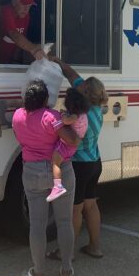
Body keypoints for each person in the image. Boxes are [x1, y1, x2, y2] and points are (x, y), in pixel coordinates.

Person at [12, 79, 80, 276]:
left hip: (32, 171)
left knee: (37, 225)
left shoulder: (17, 116)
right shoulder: (52, 116)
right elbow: (72, 140)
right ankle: (66, 270)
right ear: (45, 100)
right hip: (59, 170)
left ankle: (38, 272)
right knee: (64, 222)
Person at [48, 57, 107, 259]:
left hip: (80, 166)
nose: (78, 88)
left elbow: (68, 135)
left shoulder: (82, 115)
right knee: (91, 205)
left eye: (82, 88)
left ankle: (68, 252)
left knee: (75, 210)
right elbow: (72, 75)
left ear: (87, 93)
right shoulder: (98, 108)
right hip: (95, 163)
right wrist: (58, 62)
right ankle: (95, 246)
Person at [47, 87, 90, 203]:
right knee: (61, 161)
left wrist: (62, 116)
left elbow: (66, 121)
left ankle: (57, 186)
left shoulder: (74, 116)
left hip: (66, 144)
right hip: (72, 145)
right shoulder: (83, 115)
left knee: (55, 162)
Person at [0, 0, 45, 64]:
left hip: (9, 64)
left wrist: (15, 61)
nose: (26, 9)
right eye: (23, 4)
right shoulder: (5, 11)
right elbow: (14, 34)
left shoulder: (25, 16)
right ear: (14, 2)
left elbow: (21, 39)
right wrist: (35, 49)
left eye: (29, 6)